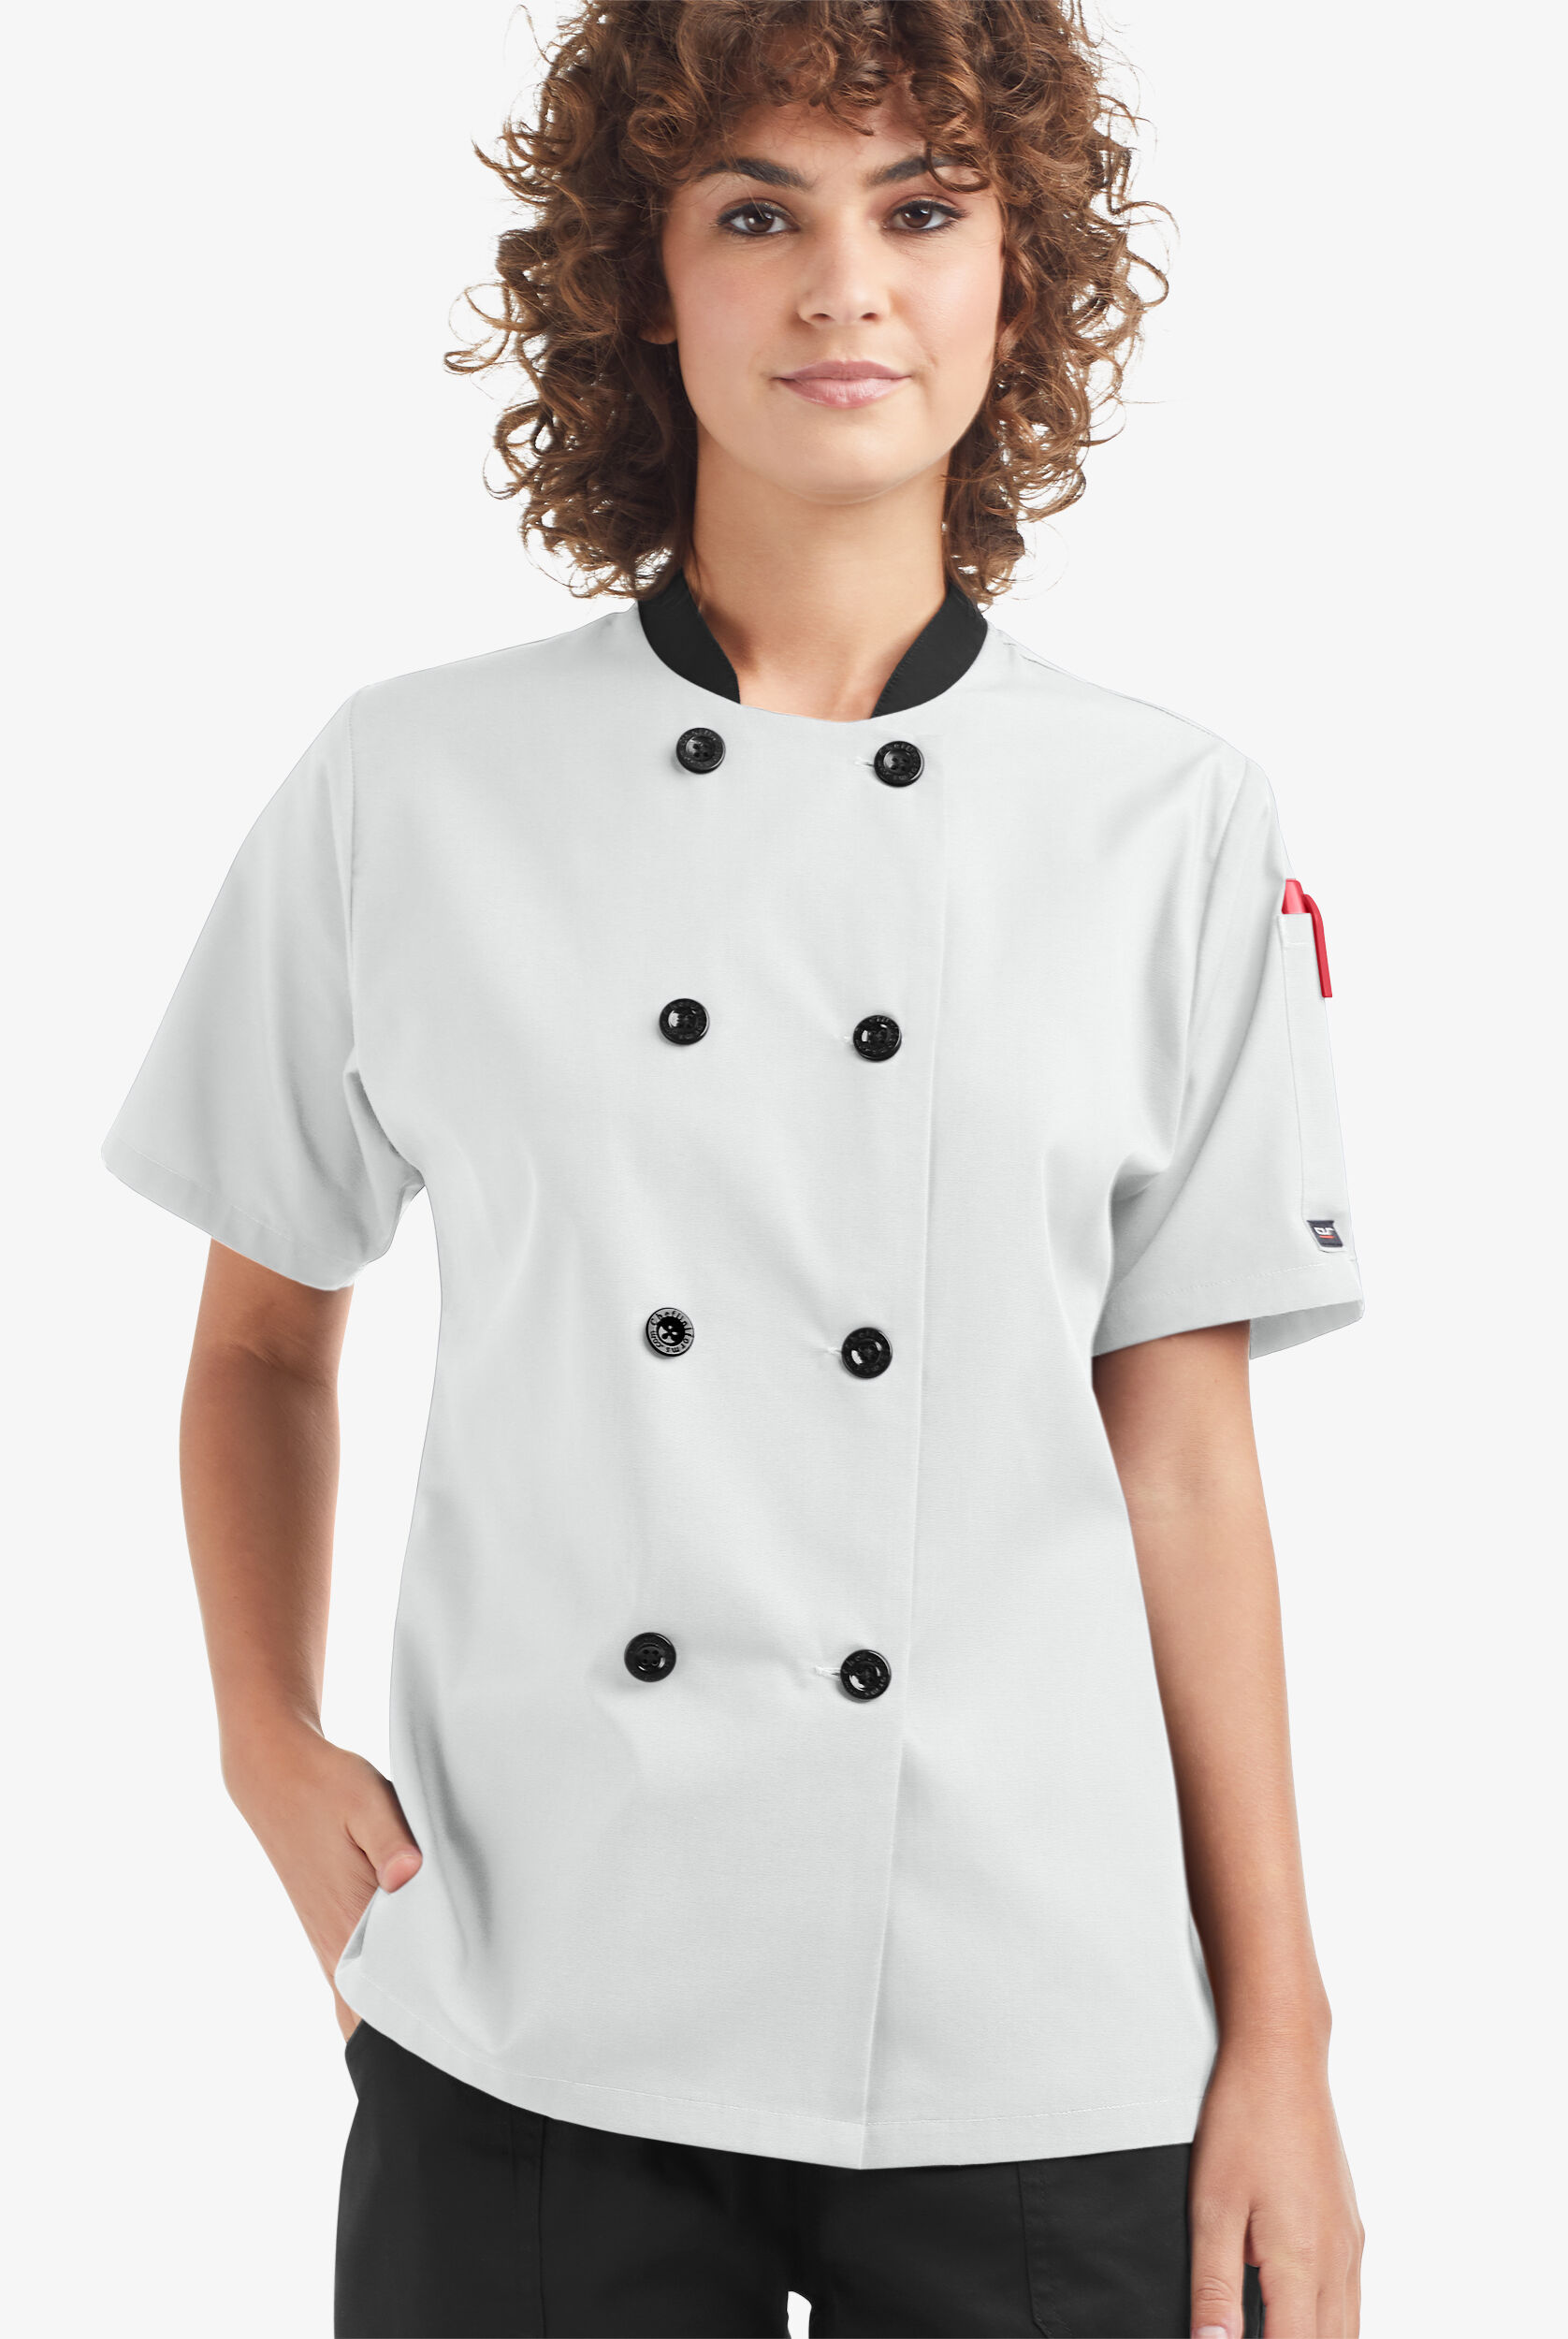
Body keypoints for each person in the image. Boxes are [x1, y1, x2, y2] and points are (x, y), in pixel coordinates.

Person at [100, 4, 1368, 2334]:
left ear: (1016, 271)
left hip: (1036, 2019)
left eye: (922, 210)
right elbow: (264, 1339)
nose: (843, 287)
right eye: (757, 213)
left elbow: (1184, 1461)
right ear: (643, 278)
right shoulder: (412, 786)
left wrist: (1278, 2030)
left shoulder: (1169, 822)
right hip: (534, 1997)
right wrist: (260, 1742)